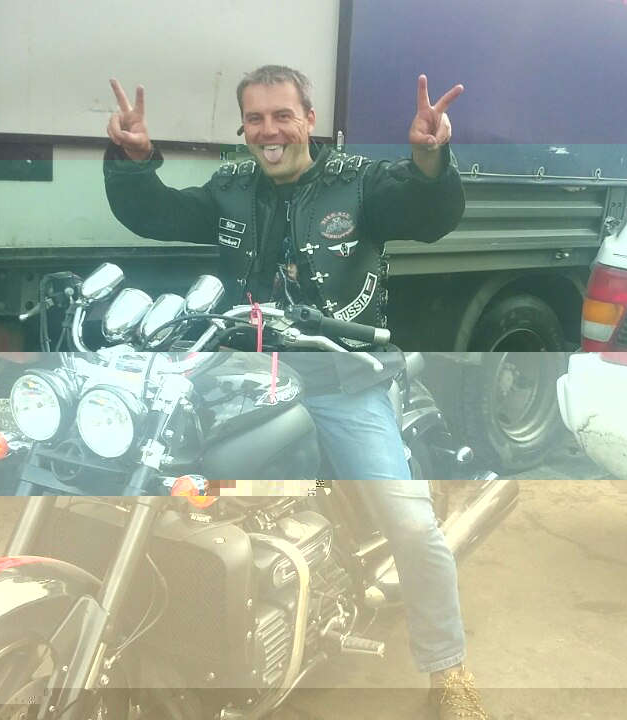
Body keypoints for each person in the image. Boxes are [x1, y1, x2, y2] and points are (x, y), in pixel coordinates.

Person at [104, 66, 489, 720]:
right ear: (243, 128)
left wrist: (430, 159)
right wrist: (133, 161)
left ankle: (448, 667)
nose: (269, 130)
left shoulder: (359, 182)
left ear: (310, 119)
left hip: (342, 377)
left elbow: (427, 215)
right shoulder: (231, 188)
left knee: (410, 524)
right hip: (247, 379)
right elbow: (157, 213)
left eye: (282, 115)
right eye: (255, 119)